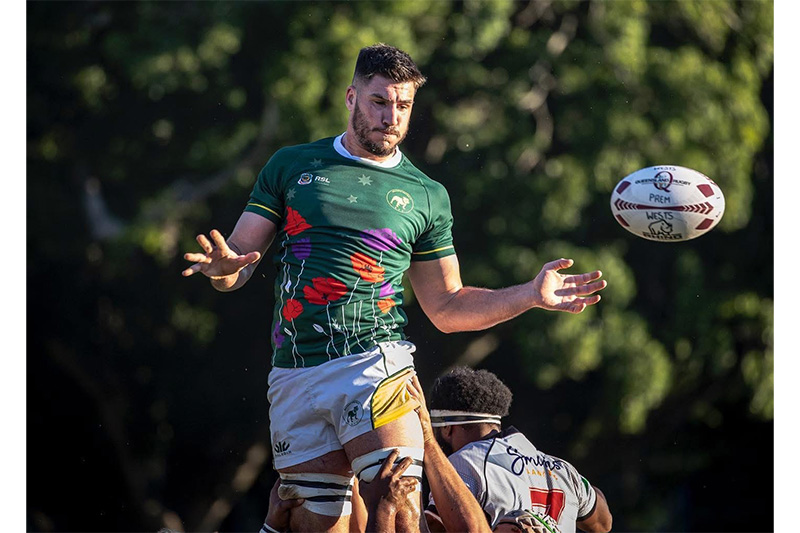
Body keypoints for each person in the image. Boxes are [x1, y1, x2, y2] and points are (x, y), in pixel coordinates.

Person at [182, 43, 607, 532]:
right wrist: (223, 270)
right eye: (379, 102)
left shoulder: (427, 195)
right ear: (351, 97)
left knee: (397, 501)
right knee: (314, 525)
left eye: (403, 105)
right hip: (294, 373)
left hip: (374, 364)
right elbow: (239, 261)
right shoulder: (291, 165)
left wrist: (529, 295)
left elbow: (446, 305)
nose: (391, 117)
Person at [424, 367, 612, 533]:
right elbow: (604, 524)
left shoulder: (463, 463)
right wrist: (577, 486)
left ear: (447, 428)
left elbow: (435, 527)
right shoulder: (564, 471)